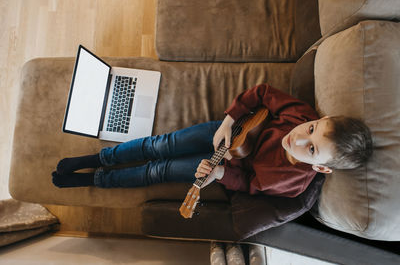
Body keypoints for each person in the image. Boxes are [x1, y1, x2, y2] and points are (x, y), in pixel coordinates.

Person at [52, 84, 373, 198]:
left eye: (312, 149)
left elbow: (249, 184)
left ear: (321, 168)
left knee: (158, 171)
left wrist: (220, 175)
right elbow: (262, 93)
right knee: (159, 145)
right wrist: (229, 121)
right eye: (312, 128)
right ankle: (98, 160)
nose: (300, 137)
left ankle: (97, 180)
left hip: (227, 163)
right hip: (229, 134)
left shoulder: (291, 182)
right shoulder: (299, 115)